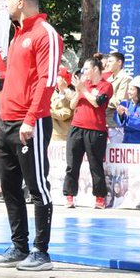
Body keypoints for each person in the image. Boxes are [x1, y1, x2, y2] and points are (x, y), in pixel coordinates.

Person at [0, 0, 63, 274]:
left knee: (37, 187)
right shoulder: (17, 35)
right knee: (10, 188)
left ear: (20, 2)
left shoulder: (45, 33)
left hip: (30, 122)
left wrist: (30, 119)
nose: (5, 3)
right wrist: (1, 117)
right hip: (7, 122)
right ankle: (19, 246)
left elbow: (48, 80)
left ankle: (41, 251)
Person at [63, 57, 112, 210]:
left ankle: (99, 197)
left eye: (86, 68)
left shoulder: (106, 85)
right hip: (76, 127)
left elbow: (97, 102)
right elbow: (72, 105)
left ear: (95, 69)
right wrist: (79, 90)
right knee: (72, 164)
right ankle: (69, 195)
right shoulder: (85, 84)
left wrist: (83, 90)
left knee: (95, 165)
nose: (84, 72)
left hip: (96, 130)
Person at [102, 52, 131, 131]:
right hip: (106, 121)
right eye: (107, 61)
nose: (107, 64)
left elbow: (120, 101)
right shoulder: (109, 79)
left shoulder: (125, 78)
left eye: (110, 61)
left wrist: (103, 99)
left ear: (119, 62)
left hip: (116, 123)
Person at [50, 70, 73, 141]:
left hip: (63, 135)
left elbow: (64, 115)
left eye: (58, 77)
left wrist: (48, 112)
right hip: (52, 133)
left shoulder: (71, 94)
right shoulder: (53, 93)